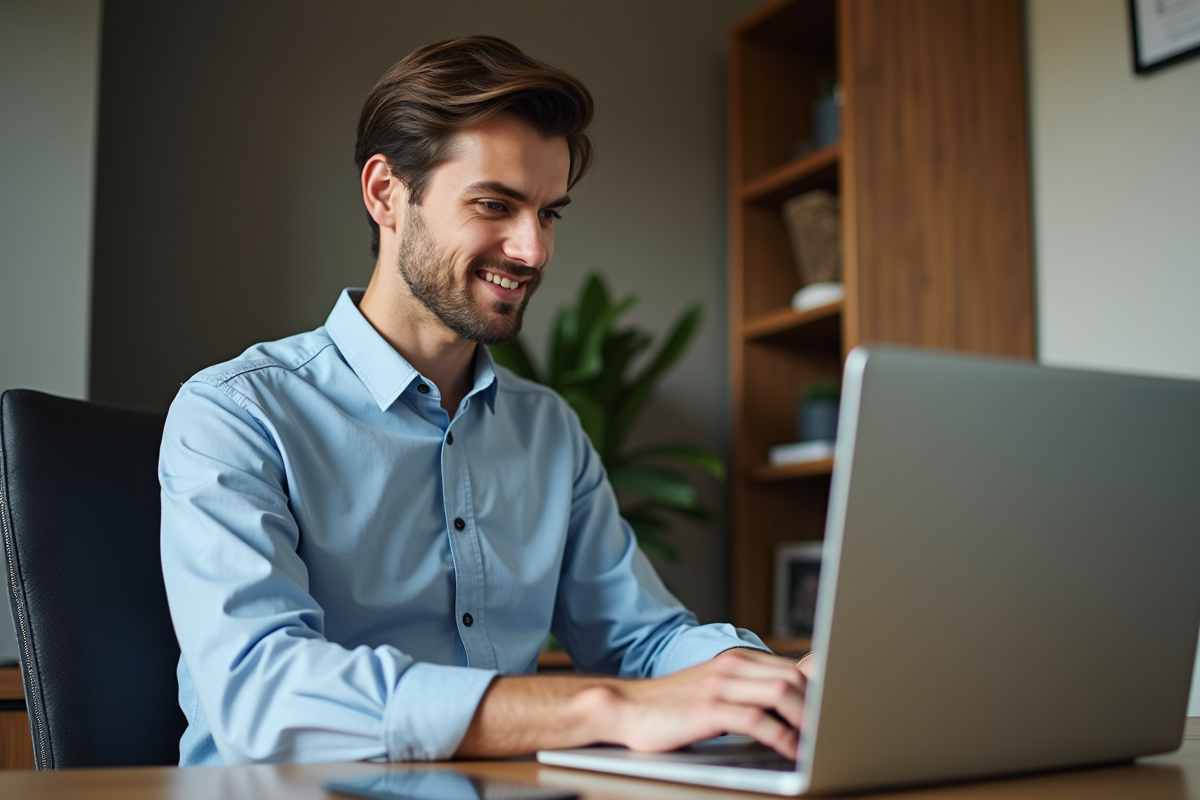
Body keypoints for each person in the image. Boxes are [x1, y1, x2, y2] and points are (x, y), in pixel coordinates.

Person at [160, 35, 810, 768]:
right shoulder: (235, 415)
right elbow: (263, 692)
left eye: (549, 214)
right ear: (385, 193)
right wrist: (601, 708)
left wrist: (773, 682)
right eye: (495, 205)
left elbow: (644, 639)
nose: (533, 250)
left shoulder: (547, 431)